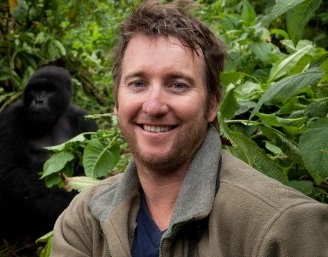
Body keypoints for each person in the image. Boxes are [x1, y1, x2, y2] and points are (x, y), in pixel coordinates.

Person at [50, 0, 328, 256]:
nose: (154, 105)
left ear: (212, 104)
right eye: (138, 83)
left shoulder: (282, 228)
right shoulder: (84, 222)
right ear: (116, 102)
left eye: (178, 85)